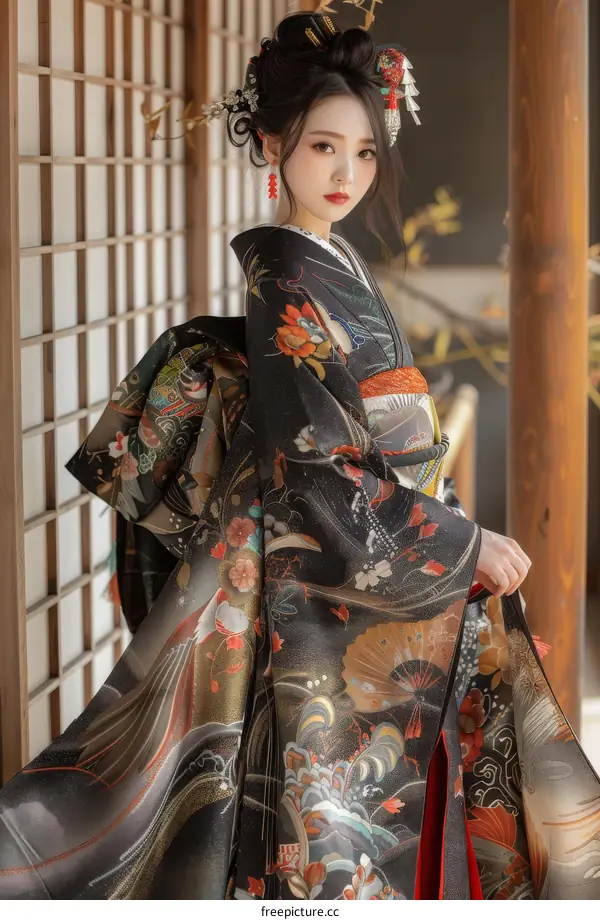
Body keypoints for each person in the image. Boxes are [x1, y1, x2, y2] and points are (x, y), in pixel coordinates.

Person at [0, 12, 598, 901]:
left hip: (354, 592)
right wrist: (463, 543)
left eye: (364, 152)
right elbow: (319, 474)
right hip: (320, 603)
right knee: (327, 842)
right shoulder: (286, 279)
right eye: (324, 147)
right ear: (274, 141)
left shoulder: (327, 259)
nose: (348, 174)